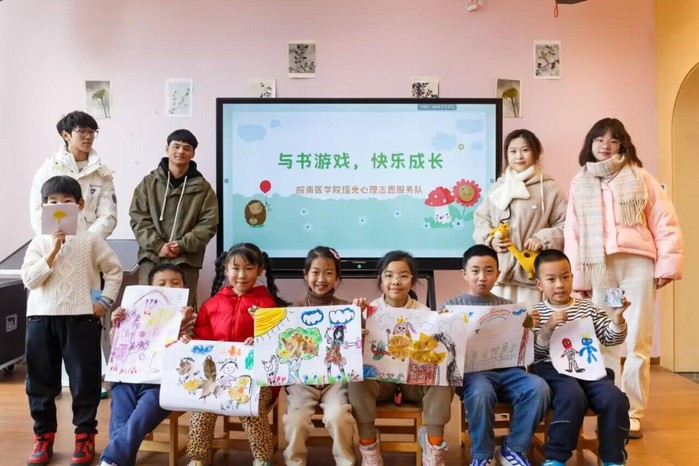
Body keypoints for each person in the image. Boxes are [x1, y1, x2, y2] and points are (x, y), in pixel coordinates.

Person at [564, 117, 683, 438]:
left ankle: (632, 413)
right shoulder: (579, 183)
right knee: (605, 338)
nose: (606, 145)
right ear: (590, 144)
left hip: (637, 265)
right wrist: (578, 278)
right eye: (599, 140)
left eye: (613, 140)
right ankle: (610, 407)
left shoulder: (640, 176)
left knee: (638, 339)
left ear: (622, 145)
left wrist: (666, 265)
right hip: (601, 269)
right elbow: (573, 235)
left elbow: (664, 220)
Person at [21, 175, 123, 466]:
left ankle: (85, 435)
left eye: (66, 201)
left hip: (81, 319)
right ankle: (43, 436)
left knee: (84, 380)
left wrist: (104, 302)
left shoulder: (91, 239)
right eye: (53, 202)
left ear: (80, 205)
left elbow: (114, 270)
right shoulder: (38, 241)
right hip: (41, 318)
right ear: (44, 207)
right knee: (40, 381)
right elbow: (30, 279)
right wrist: (53, 251)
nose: (59, 206)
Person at [441, 244, 549, 466]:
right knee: (480, 391)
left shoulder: (510, 306)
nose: (482, 277)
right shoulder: (451, 306)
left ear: (498, 274)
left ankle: (514, 448)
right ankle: (482, 454)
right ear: (464, 274)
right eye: (475, 271)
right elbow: (442, 350)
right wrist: (441, 325)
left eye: (489, 271)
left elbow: (524, 345)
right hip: (473, 374)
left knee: (539, 387)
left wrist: (531, 325)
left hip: (510, 372)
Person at [347, 250, 452, 466]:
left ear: (412, 280)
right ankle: (369, 446)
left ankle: (433, 445)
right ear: (380, 280)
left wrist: (444, 327)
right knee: (357, 379)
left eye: (403, 275)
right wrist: (356, 322)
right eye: (389, 275)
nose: (396, 281)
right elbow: (350, 353)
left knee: (444, 377)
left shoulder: (425, 313)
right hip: (381, 385)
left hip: (414, 384)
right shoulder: (367, 311)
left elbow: (435, 355)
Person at [185, 243, 285, 466]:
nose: (241, 275)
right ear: (226, 269)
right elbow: (201, 341)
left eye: (249, 268)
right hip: (217, 378)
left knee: (249, 407)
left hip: (256, 380)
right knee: (202, 409)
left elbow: (277, 345)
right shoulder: (212, 305)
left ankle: (262, 457)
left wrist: (260, 342)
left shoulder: (268, 305)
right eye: (235, 268)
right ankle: (198, 458)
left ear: (259, 270)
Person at [531, 249, 630, 466]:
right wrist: (547, 328)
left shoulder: (588, 307)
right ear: (539, 284)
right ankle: (556, 457)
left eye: (565, 277)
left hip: (589, 369)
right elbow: (534, 355)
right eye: (551, 279)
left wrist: (618, 318)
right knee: (572, 396)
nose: (560, 285)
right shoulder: (536, 313)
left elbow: (611, 338)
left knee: (614, 398)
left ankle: (613, 458)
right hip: (553, 370)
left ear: (572, 278)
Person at [98, 264, 194, 466]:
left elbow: (193, 357)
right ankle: (117, 460)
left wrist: (184, 334)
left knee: (144, 411)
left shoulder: (192, 319)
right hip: (128, 379)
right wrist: (117, 326)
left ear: (184, 287)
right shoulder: (134, 312)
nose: (169, 288)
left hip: (162, 384)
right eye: (162, 284)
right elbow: (119, 349)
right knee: (122, 413)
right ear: (150, 289)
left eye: (175, 283)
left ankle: (112, 460)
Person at [473, 129, 567, 307]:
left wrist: (543, 239)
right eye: (513, 151)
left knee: (530, 320)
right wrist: (491, 240)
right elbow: (481, 220)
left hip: (531, 274)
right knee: (499, 320)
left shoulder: (549, 188)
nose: (519, 156)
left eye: (525, 150)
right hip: (500, 274)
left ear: (535, 153)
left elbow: (566, 224)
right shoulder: (498, 188)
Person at [129, 129, 219, 308]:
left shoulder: (203, 188)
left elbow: (208, 224)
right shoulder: (148, 183)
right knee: (146, 309)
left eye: (187, 148)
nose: (180, 151)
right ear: (167, 149)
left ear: (193, 153)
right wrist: (158, 245)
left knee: (182, 312)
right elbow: (138, 217)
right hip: (152, 257)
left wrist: (182, 245)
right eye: (176, 146)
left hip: (186, 260)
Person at [284, 246, 356, 466]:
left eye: (329, 273)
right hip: (301, 384)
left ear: (337, 277)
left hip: (335, 382)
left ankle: (345, 461)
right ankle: (294, 462)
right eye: (315, 272)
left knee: (339, 416)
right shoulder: (292, 309)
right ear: (305, 275)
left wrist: (360, 320)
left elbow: (355, 345)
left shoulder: (348, 309)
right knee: (295, 420)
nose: (321, 279)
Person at [29, 111, 117, 239]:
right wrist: (55, 240)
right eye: (82, 131)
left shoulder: (102, 173)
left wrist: (86, 241)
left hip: (91, 244)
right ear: (66, 135)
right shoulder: (49, 170)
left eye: (92, 132)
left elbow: (108, 216)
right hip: (56, 244)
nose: (88, 136)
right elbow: (38, 212)